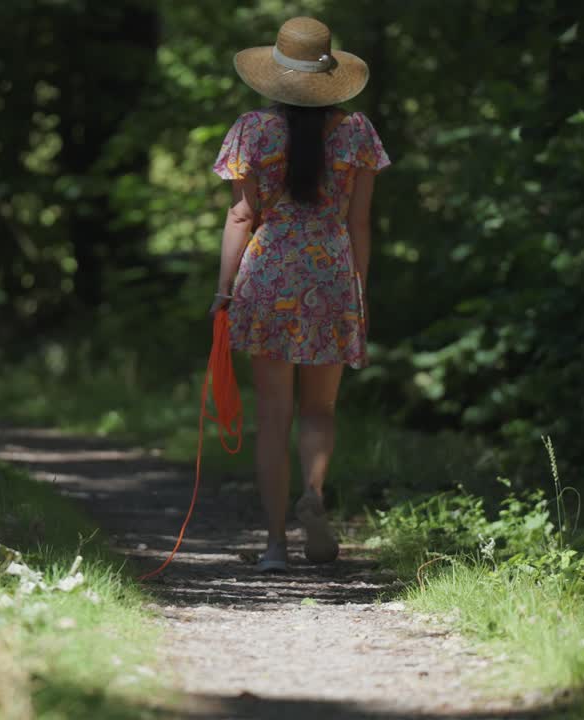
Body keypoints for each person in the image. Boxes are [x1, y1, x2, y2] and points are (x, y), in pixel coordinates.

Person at [209, 16, 390, 572]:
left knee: (273, 414)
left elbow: (242, 216)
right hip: (331, 275)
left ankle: (274, 546)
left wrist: (223, 291)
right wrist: (358, 290)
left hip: (269, 275)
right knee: (320, 408)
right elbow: (360, 223)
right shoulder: (357, 132)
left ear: (276, 75)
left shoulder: (252, 130)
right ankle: (312, 493)